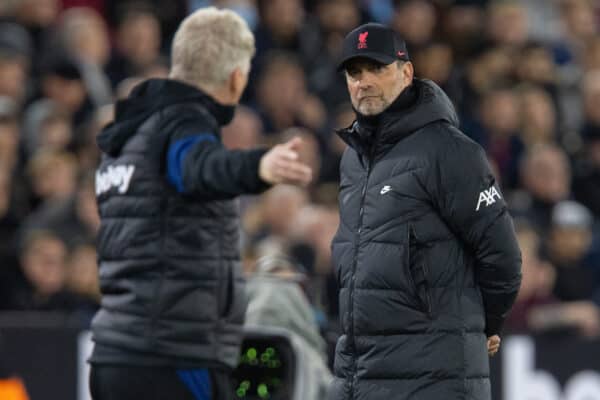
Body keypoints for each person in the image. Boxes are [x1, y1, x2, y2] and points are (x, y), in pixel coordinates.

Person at [88, 7, 312, 400]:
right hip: (174, 356)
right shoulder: (184, 122)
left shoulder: (127, 137)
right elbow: (198, 169)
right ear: (236, 77)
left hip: (113, 354)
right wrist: (259, 165)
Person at [330, 23, 522, 400]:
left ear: (407, 72)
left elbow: (503, 254)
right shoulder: (353, 160)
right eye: (355, 72)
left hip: (435, 378)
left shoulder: (450, 151)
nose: (364, 81)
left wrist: (486, 324)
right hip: (360, 375)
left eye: (377, 69)